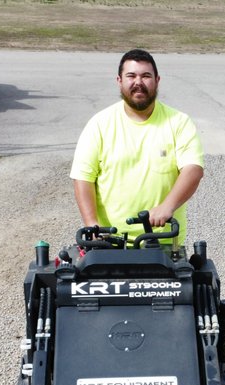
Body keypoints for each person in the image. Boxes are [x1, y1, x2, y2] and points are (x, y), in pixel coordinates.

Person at [70, 49, 204, 247]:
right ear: (119, 81)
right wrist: (92, 226)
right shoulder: (99, 124)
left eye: (146, 76)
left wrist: (167, 207)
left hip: (162, 241)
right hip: (109, 241)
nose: (138, 82)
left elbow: (193, 169)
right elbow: (83, 177)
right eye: (131, 76)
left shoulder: (179, 122)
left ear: (157, 80)